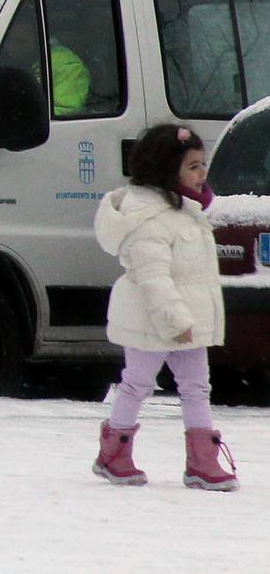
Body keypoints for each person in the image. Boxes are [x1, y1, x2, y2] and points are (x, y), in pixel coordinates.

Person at [91, 124, 238, 491]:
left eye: (203, 164)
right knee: (138, 383)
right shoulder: (150, 219)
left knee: (196, 386)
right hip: (150, 319)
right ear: (165, 170)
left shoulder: (187, 212)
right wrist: (174, 318)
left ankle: (202, 460)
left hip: (184, 320)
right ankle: (114, 452)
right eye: (192, 166)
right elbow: (153, 277)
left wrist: (185, 318)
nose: (202, 173)